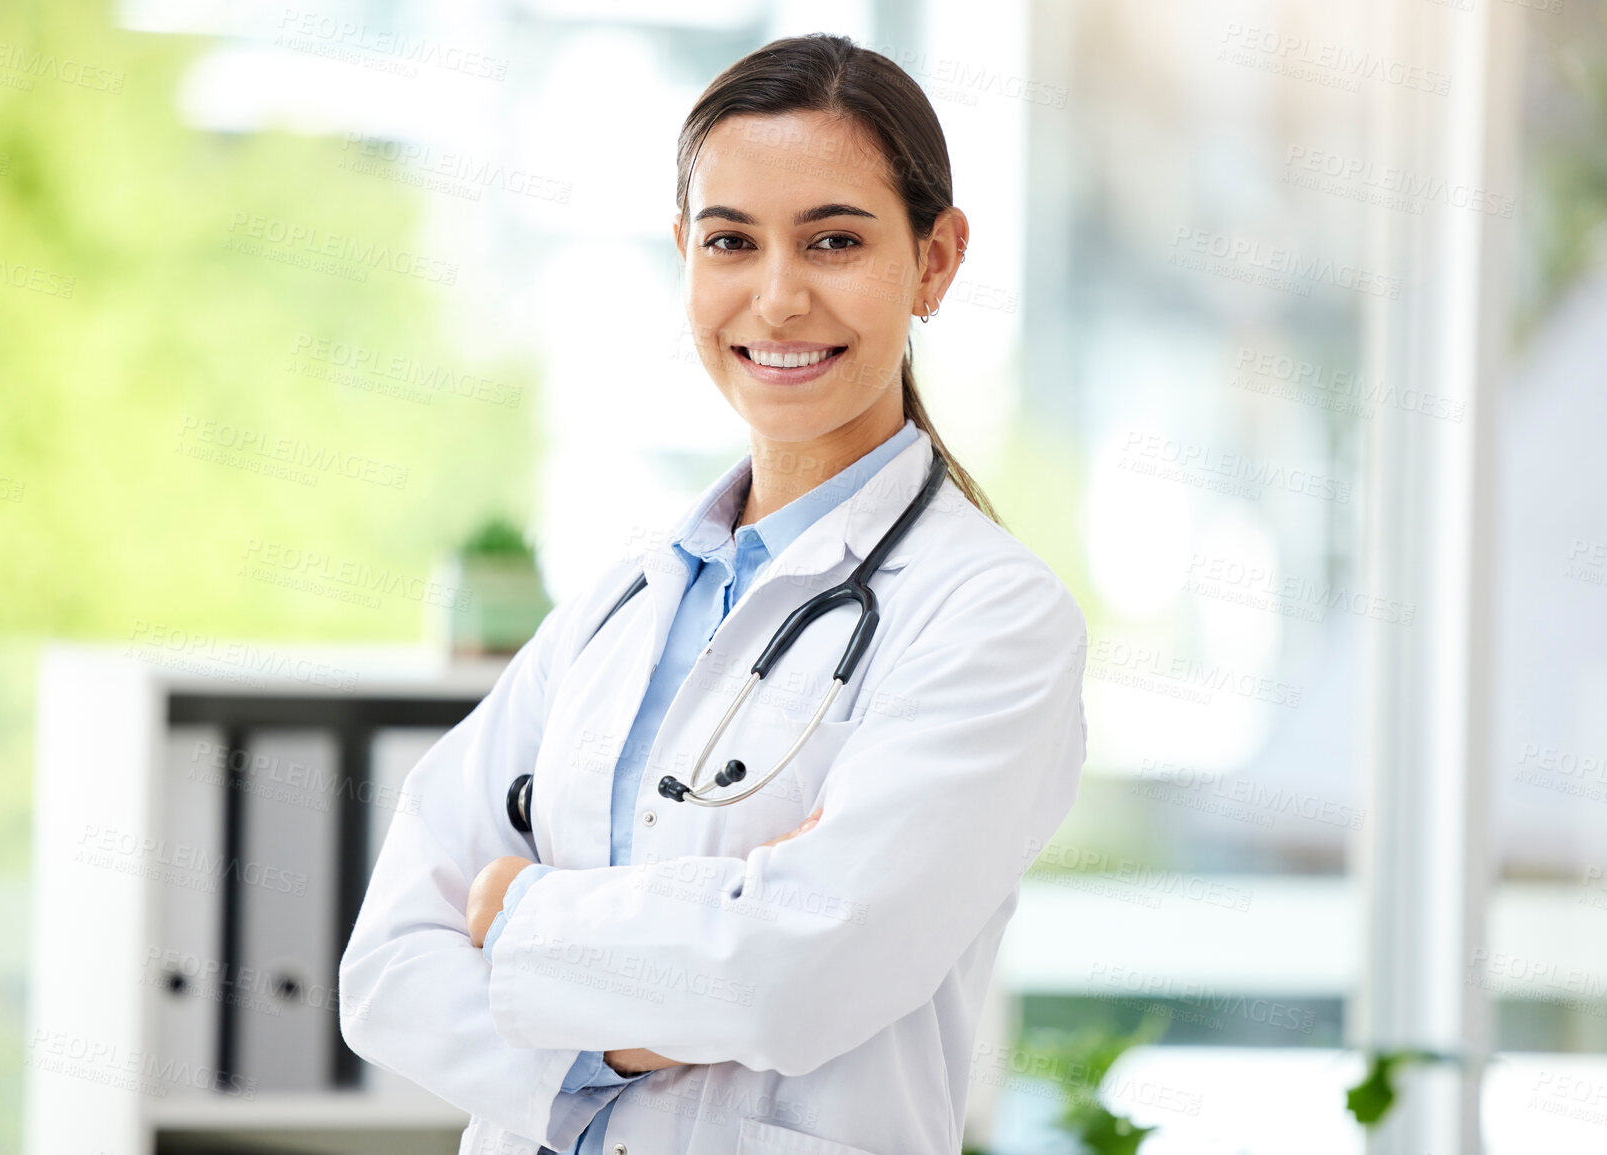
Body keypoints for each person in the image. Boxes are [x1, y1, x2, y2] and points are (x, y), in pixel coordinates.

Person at [340, 32, 1088, 1155]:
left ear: (936, 260)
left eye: (834, 240)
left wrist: (519, 916)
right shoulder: (617, 606)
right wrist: (639, 1023)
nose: (779, 298)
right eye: (732, 241)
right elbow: (388, 966)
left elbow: (798, 973)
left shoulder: (991, 617)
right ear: (686, 251)